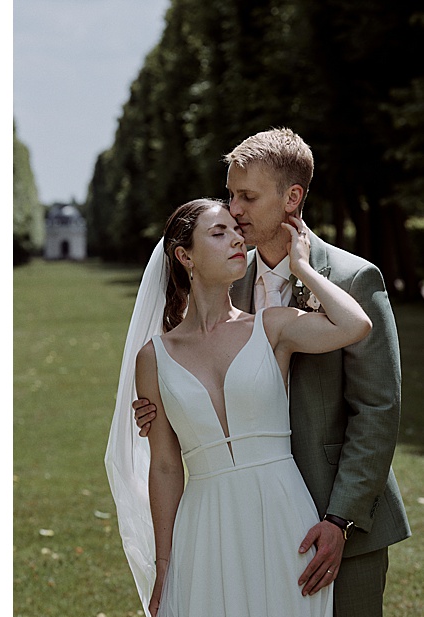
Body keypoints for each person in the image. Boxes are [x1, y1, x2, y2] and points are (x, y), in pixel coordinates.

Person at [125, 128, 411, 616]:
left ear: (291, 197)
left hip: (340, 520)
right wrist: (169, 404)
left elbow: (377, 412)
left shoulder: (352, 279)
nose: (233, 210)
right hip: (235, 524)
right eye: (230, 195)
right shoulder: (227, 279)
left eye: (247, 197)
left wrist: (339, 520)